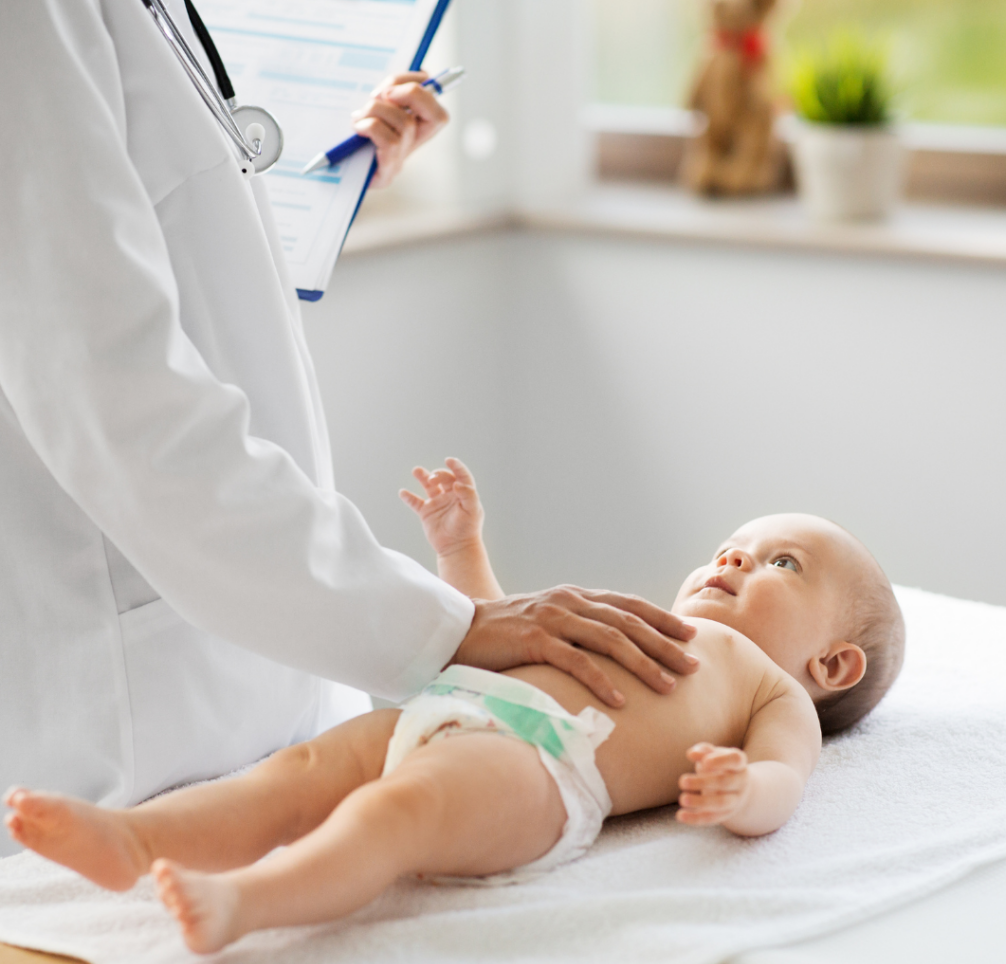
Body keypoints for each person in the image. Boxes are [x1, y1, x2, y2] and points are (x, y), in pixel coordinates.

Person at [0, 1, 698, 855]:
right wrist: (445, 627)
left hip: (233, 684)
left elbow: (148, 244)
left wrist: (313, 189)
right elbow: (114, 399)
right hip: (126, 724)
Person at [3, 458, 906, 953]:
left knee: (398, 812)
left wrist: (742, 793)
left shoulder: (768, 687)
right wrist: (462, 550)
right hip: (448, 703)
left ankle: (250, 900)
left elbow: (787, 778)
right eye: (733, 546)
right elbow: (503, 630)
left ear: (833, 663)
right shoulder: (643, 622)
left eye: (782, 563)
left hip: (542, 769)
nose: (735, 560)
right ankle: (135, 840)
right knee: (297, 771)